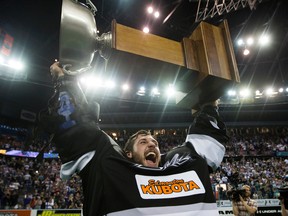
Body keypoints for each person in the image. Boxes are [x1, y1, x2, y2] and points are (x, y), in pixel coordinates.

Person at [43, 62, 229, 216]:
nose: (151, 144)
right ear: (128, 153)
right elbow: (78, 128)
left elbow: (208, 135)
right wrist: (65, 80)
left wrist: (210, 101)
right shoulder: (111, 167)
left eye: (155, 143)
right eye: (143, 142)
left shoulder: (183, 162)